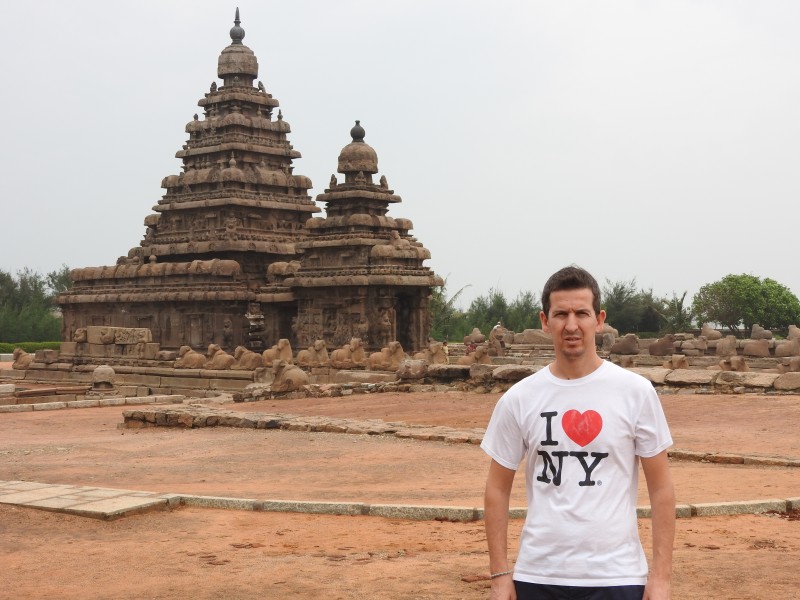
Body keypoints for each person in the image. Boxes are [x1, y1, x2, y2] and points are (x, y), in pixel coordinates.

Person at [482, 266, 674, 600]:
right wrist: (500, 576)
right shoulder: (520, 398)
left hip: (618, 575)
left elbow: (661, 489)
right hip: (538, 574)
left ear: (598, 320)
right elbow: (497, 489)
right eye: (561, 314)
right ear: (545, 321)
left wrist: (661, 579)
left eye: (581, 313)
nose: (571, 325)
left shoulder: (636, 392)